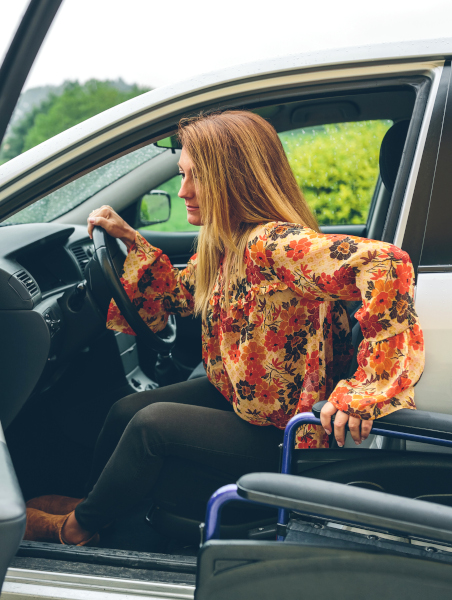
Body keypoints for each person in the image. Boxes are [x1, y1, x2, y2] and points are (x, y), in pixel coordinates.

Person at [23, 110, 425, 546]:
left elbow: (387, 264)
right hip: (243, 397)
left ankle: (75, 530)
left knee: (150, 426)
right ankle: (97, 507)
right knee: (125, 410)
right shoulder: (228, 240)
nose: (183, 192)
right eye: (182, 175)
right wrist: (129, 239)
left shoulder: (271, 244)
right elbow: (181, 292)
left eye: (197, 178)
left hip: (287, 428)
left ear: (232, 178)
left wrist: (367, 390)